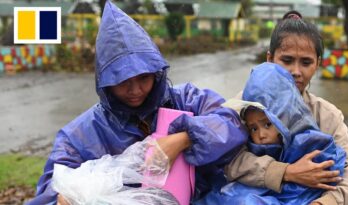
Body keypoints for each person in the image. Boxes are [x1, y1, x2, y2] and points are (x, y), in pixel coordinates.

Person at [26, 1, 246, 204]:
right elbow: (51, 189)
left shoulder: (187, 100)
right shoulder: (81, 135)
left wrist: (184, 138)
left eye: (144, 78)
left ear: (157, 73)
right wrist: (64, 199)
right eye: (122, 82)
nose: (136, 91)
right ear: (105, 83)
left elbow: (231, 123)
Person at [228, 11, 348, 205]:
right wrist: (285, 172)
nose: (296, 72)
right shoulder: (244, 106)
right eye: (286, 60)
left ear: (317, 64)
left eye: (306, 62)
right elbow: (225, 159)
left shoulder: (326, 115)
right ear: (270, 59)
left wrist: (326, 202)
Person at [195, 62, 345, 205]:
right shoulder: (240, 113)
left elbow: (340, 168)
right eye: (253, 128)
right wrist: (285, 172)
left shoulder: (315, 132)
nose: (261, 134)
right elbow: (227, 159)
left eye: (268, 124)